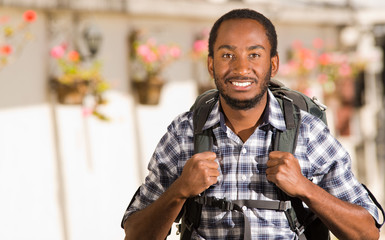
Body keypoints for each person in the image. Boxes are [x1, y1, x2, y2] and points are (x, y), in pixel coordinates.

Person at [122, 8, 381, 239]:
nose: (241, 68)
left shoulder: (308, 133)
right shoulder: (184, 133)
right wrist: (179, 191)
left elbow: (368, 233)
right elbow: (134, 234)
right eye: (227, 55)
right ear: (211, 65)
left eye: (254, 54)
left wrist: (305, 188)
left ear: (273, 64)